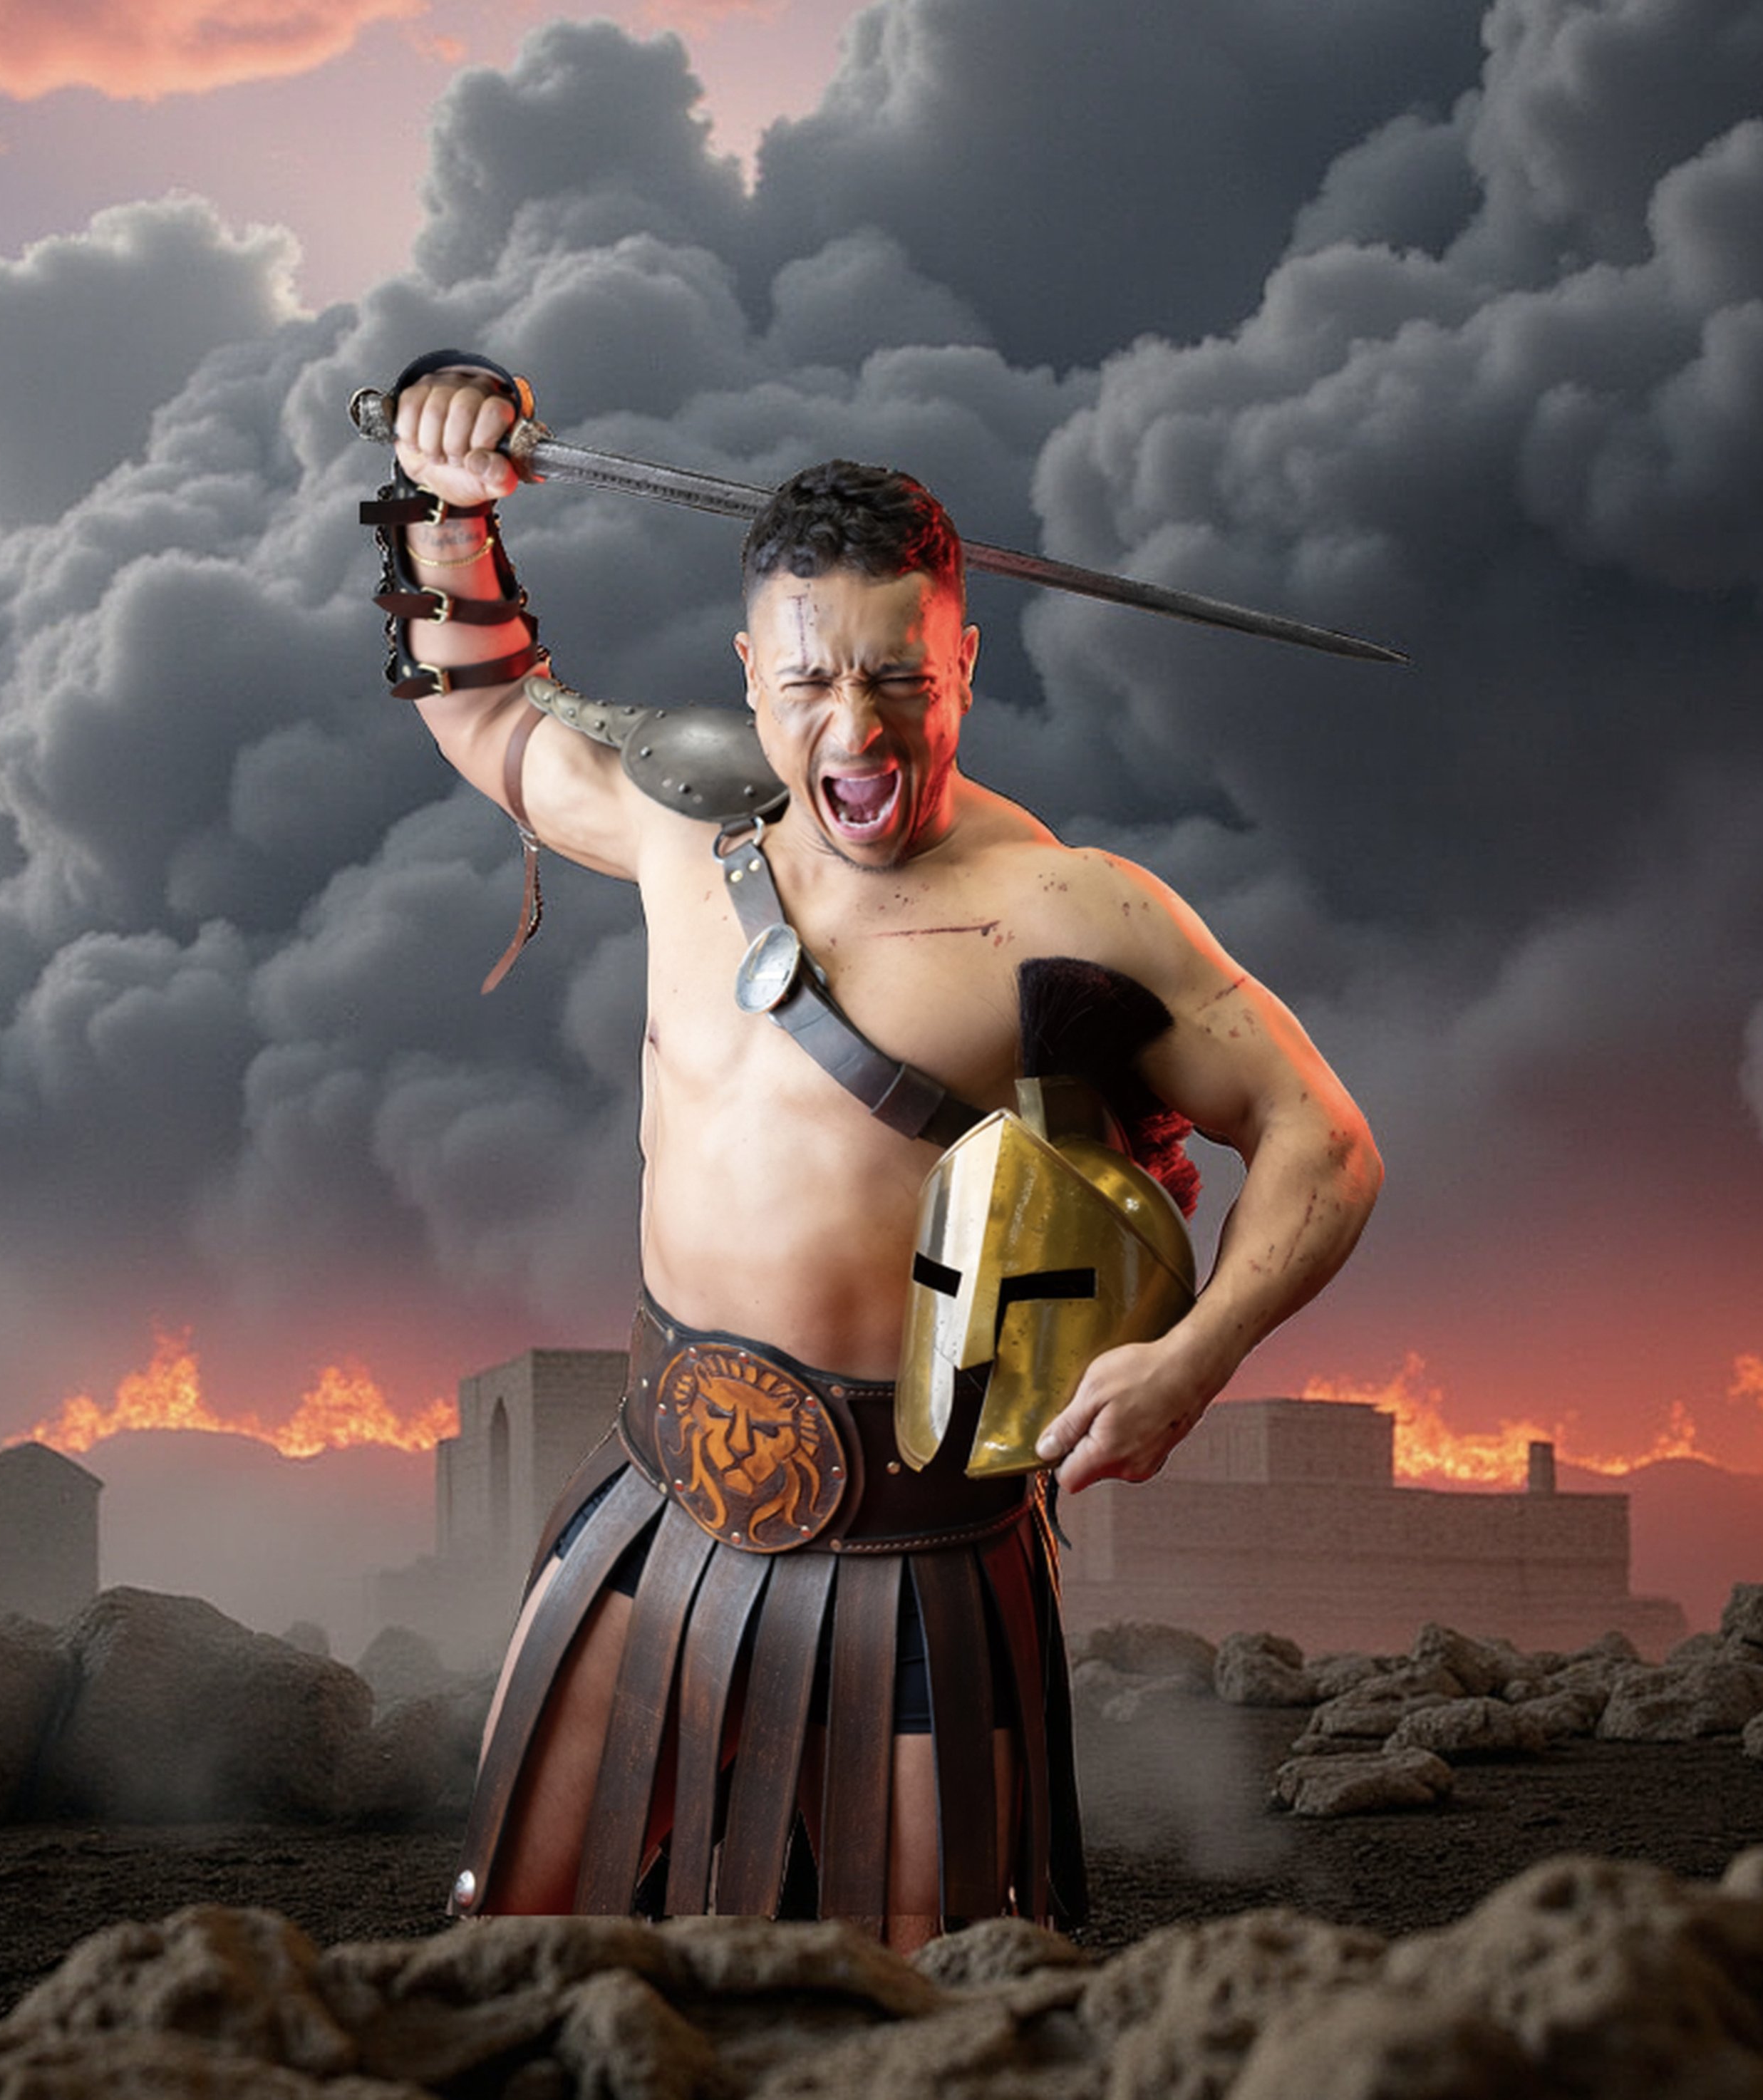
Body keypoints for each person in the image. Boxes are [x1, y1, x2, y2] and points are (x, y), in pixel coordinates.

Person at [364, 355, 1382, 1948]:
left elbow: (1322, 1141)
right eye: (807, 679)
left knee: (926, 2013)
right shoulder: (683, 819)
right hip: (650, 1506)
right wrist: (444, 502)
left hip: (917, 1566)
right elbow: (486, 709)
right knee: (514, 1952)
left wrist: (1191, 1358)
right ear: (748, 672)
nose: (853, 726)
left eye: (899, 678)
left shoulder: (1072, 916)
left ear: (961, 661)